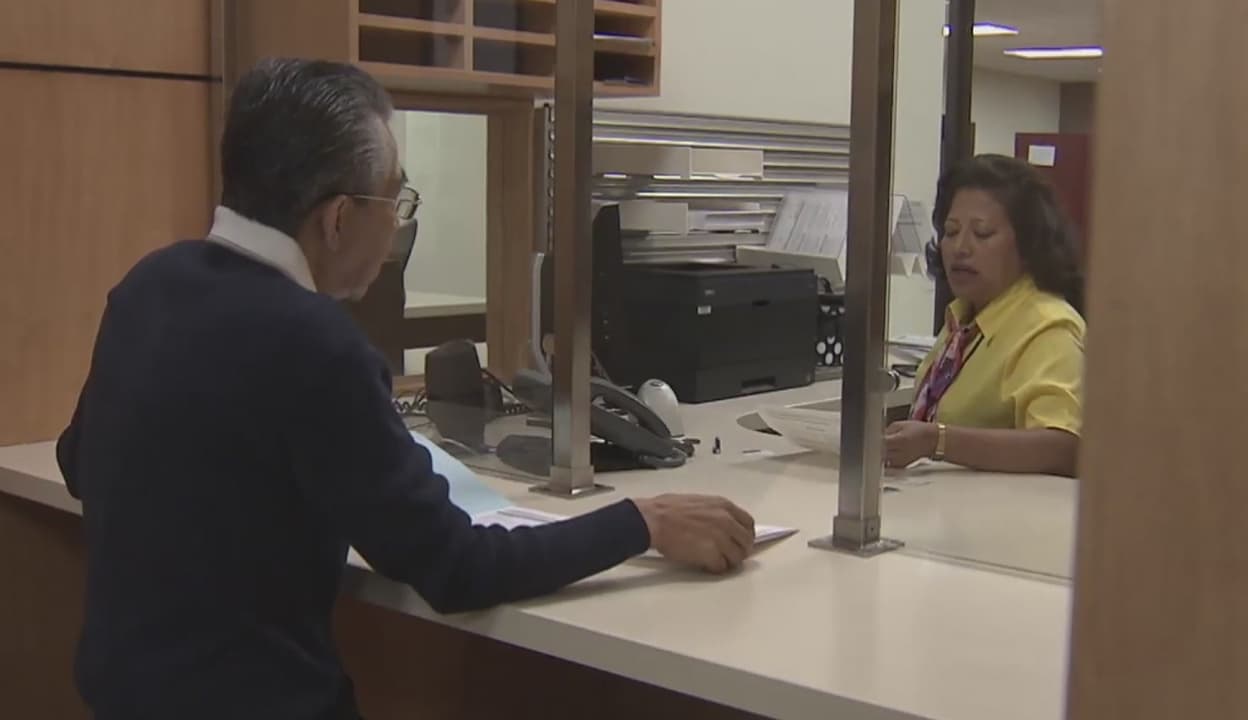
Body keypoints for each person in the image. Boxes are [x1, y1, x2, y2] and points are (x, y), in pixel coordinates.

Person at [55, 58, 755, 720]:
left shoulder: (150, 284)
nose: (396, 222)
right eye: (395, 199)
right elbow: (457, 569)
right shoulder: (317, 346)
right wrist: (642, 522)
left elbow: (78, 461)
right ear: (338, 218)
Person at [884, 154, 1085, 477]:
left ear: (1028, 244)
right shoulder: (964, 317)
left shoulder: (1048, 327)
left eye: (982, 233)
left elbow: (1063, 446)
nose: (960, 248)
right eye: (951, 231)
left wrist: (939, 441)